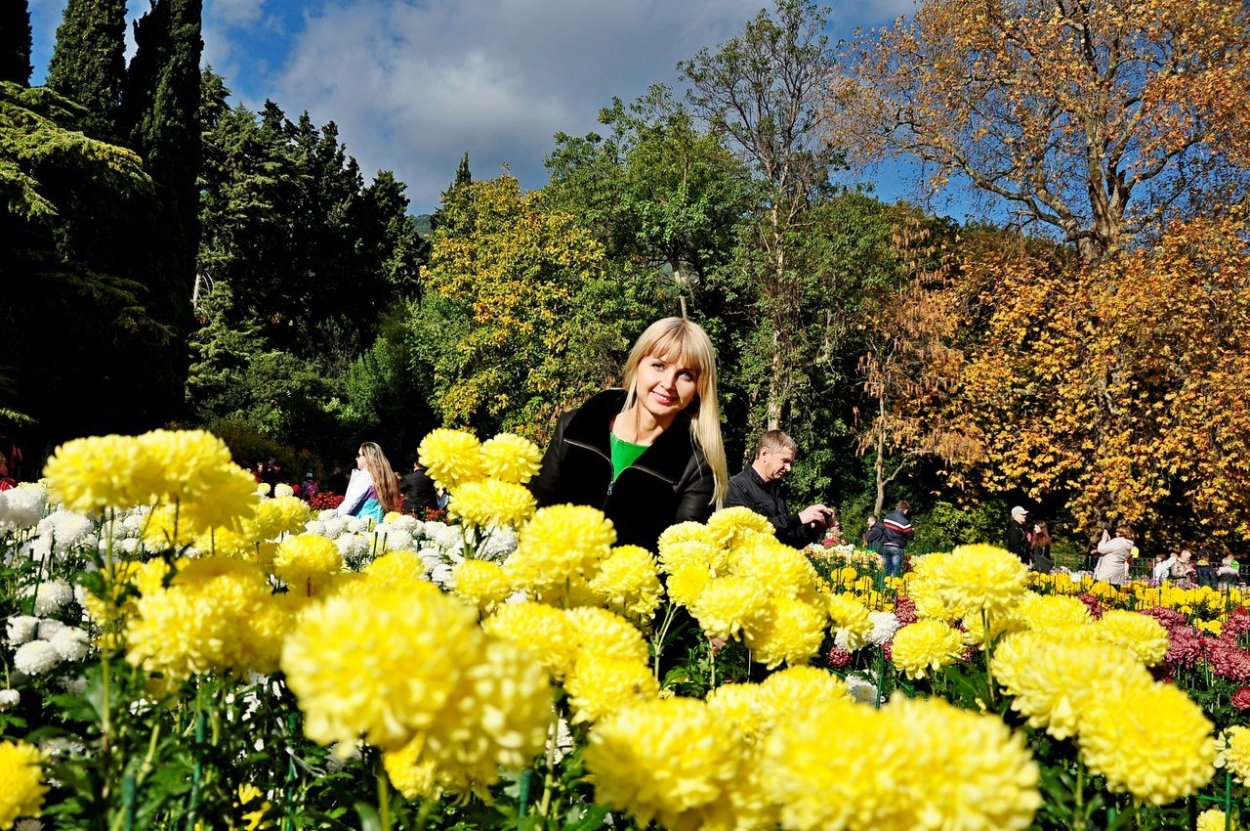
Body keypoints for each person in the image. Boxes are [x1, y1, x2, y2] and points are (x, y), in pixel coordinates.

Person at [529, 317, 729, 551]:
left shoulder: (698, 467)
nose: (668, 384)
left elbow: (680, 559)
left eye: (685, 374)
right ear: (637, 364)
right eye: (659, 366)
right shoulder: (574, 427)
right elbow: (534, 513)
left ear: (698, 388)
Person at [724, 430, 833, 548]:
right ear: (765, 454)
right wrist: (797, 518)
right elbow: (747, 532)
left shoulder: (777, 489)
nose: (789, 468)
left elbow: (788, 542)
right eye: (785, 461)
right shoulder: (735, 487)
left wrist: (812, 529)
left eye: (790, 463)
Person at [338, 442, 403, 522]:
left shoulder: (366, 476)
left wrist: (334, 517)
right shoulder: (384, 476)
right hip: (379, 522)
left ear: (368, 457)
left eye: (359, 455)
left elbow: (351, 502)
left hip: (363, 523)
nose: (356, 458)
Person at [879, 501, 914, 578]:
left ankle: (884, 584)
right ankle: (893, 585)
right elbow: (910, 536)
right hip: (897, 546)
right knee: (895, 570)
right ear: (905, 510)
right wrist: (911, 531)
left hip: (885, 545)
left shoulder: (887, 517)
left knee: (886, 569)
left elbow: (883, 529)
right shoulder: (905, 522)